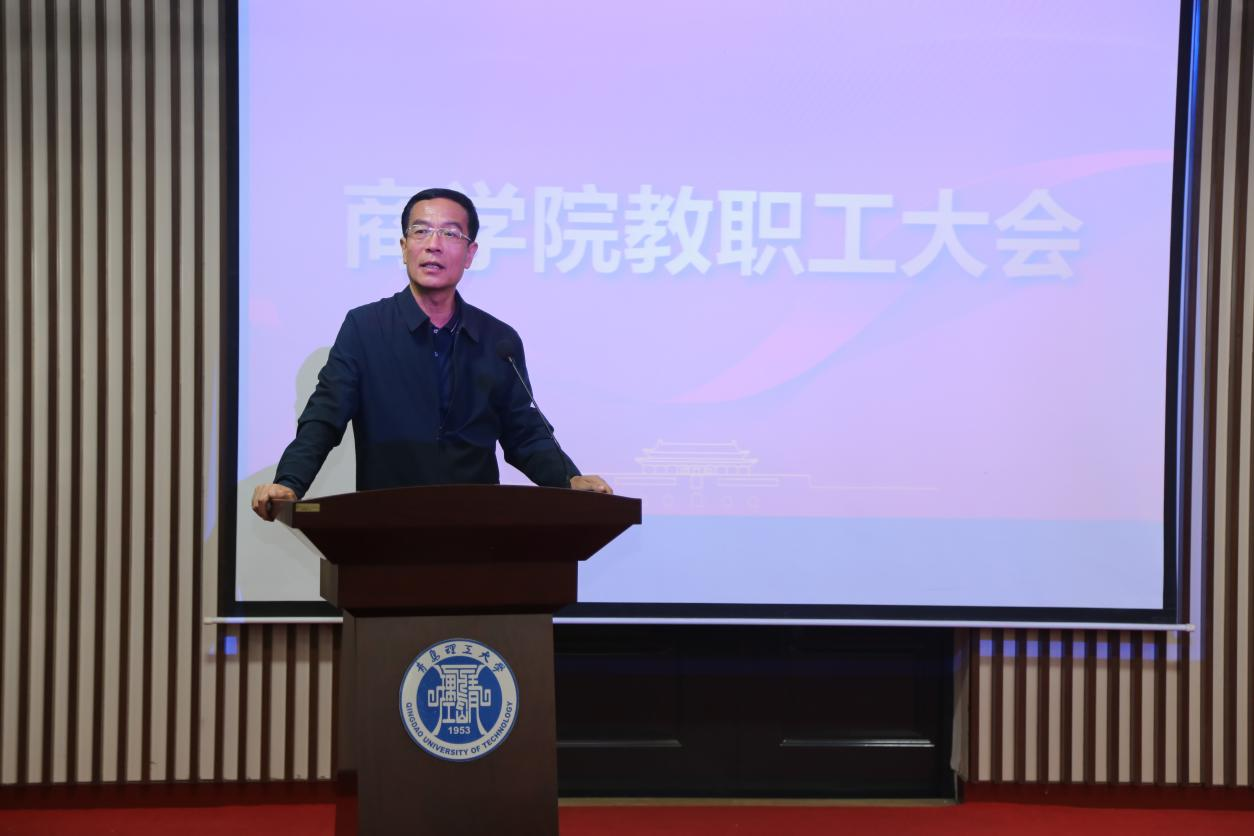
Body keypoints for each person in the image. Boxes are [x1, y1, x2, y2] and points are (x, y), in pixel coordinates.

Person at [251, 187, 611, 520]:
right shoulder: (365, 328)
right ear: (404, 246)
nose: (433, 245)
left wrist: (569, 480)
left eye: (450, 234)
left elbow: (525, 434)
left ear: (470, 254)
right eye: (421, 231)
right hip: (386, 527)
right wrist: (290, 483)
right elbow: (324, 418)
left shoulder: (497, 340)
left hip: (478, 530)